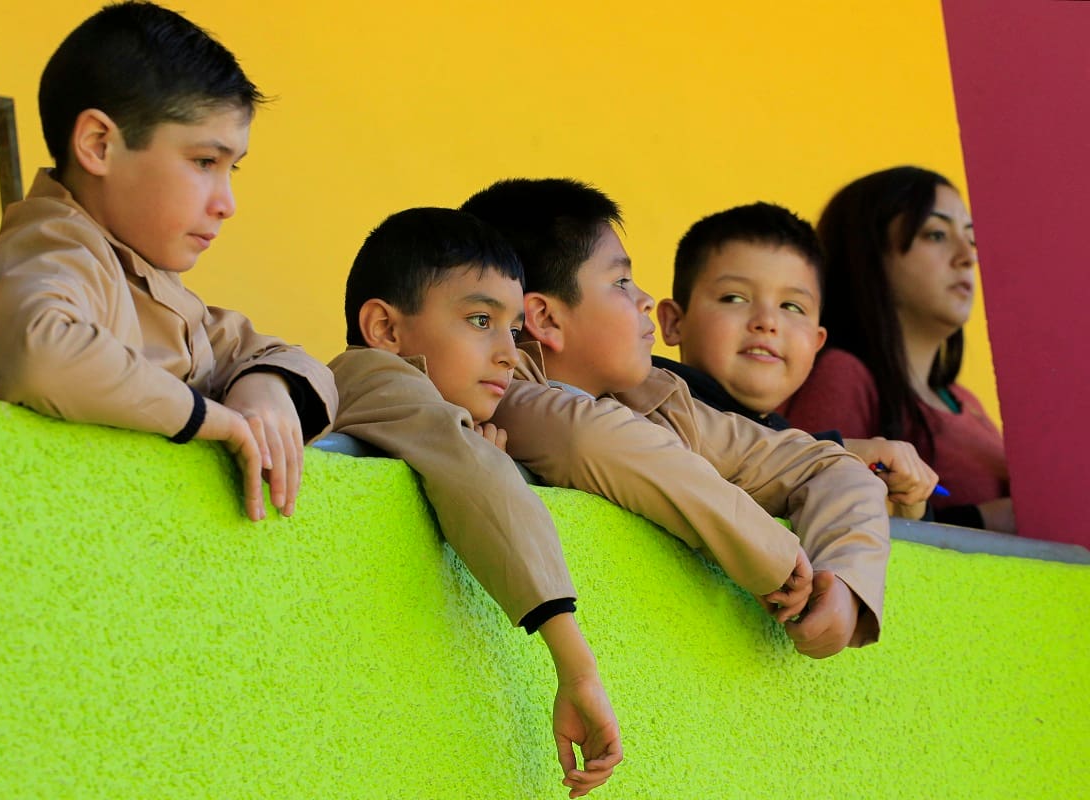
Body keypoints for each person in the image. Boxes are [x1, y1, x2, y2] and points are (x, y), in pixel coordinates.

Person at [462, 178, 891, 659]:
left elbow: (825, 465)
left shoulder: (659, 400)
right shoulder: (498, 396)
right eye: (622, 282)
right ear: (545, 319)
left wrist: (846, 577)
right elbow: (591, 439)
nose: (644, 298)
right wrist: (775, 559)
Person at [0, 1, 336, 522]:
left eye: (232, 168)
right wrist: (203, 418)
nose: (227, 203)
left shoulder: (150, 281)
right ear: (99, 145)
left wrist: (263, 388)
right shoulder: (55, 245)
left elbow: (297, 363)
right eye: (203, 162)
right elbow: (38, 352)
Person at [329, 207, 621, 798]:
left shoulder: (417, 407)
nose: (508, 354)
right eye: (480, 319)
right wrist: (577, 669)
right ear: (384, 330)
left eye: (513, 331)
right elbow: (469, 470)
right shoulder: (370, 377)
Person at [654, 201, 939, 519]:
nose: (767, 321)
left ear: (816, 345)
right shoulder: (649, 394)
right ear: (674, 323)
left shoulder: (783, 434)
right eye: (734, 298)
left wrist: (907, 501)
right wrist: (832, 454)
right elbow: (723, 451)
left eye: (791, 306)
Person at [780, 167, 1012, 532]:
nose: (968, 256)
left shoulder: (966, 402)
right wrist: (983, 520)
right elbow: (816, 513)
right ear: (868, 256)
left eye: (972, 238)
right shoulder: (844, 374)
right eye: (936, 234)